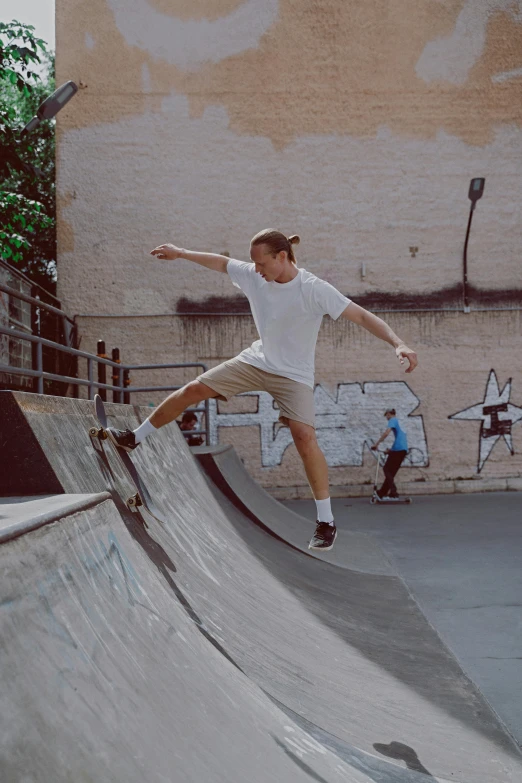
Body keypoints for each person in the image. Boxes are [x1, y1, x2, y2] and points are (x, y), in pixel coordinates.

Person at [107, 230, 418, 551]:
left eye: (261, 263)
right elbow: (221, 262)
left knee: (304, 437)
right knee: (192, 391)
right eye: (253, 263)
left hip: (294, 376)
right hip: (256, 361)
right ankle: (135, 438)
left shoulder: (313, 290)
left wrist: (399, 343)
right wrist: (181, 253)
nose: (256, 269)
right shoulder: (255, 276)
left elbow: (362, 316)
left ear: (282, 257)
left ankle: (326, 521)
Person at [371, 408, 408, 498]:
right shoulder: (399, 422)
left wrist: (377, 444)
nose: (386, 418)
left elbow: (387, 433)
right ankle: (382, 492)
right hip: (403, 449)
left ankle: (393, 491)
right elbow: (400, 439)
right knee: (391, 473)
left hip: (398, 449)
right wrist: (390, 451)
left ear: (389, 414)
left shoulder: (393, 420)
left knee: (386, 469)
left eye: (386, 415)